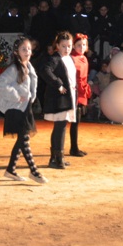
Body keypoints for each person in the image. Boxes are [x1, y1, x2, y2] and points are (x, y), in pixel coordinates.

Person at [0, 36, 48, 184]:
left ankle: (11, 170)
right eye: (24, 49)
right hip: (16, 109)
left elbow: (31, 87)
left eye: (29, 49)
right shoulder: (14, 69)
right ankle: (34, 171)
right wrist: (16, 95)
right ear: (16, 52)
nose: (27, 52)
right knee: (24, 140)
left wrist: (30, 97)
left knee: (21, 140)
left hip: (24, 108)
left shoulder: (28, 67)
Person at [40, 31, 76, 170]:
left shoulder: (70, 59)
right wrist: (58, 84)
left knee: (61, 127)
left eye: (69, 46)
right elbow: (45, 70)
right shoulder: (54, 58)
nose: (67, 49)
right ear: (57, 45)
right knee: (60, 127)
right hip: (59, 99)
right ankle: (57, 158)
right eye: (63, 46)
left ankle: (56, 157)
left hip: (69, 97)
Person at [69, 33, 92, 157]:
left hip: (81, 91)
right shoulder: (72, 58)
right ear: (74, 46)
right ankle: (73, 148)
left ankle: (74, 147)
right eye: (79, 45)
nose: (81, 47)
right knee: (74, 121)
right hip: (74, 92)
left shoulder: (84, 58)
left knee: (77, 121)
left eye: (83, 45)